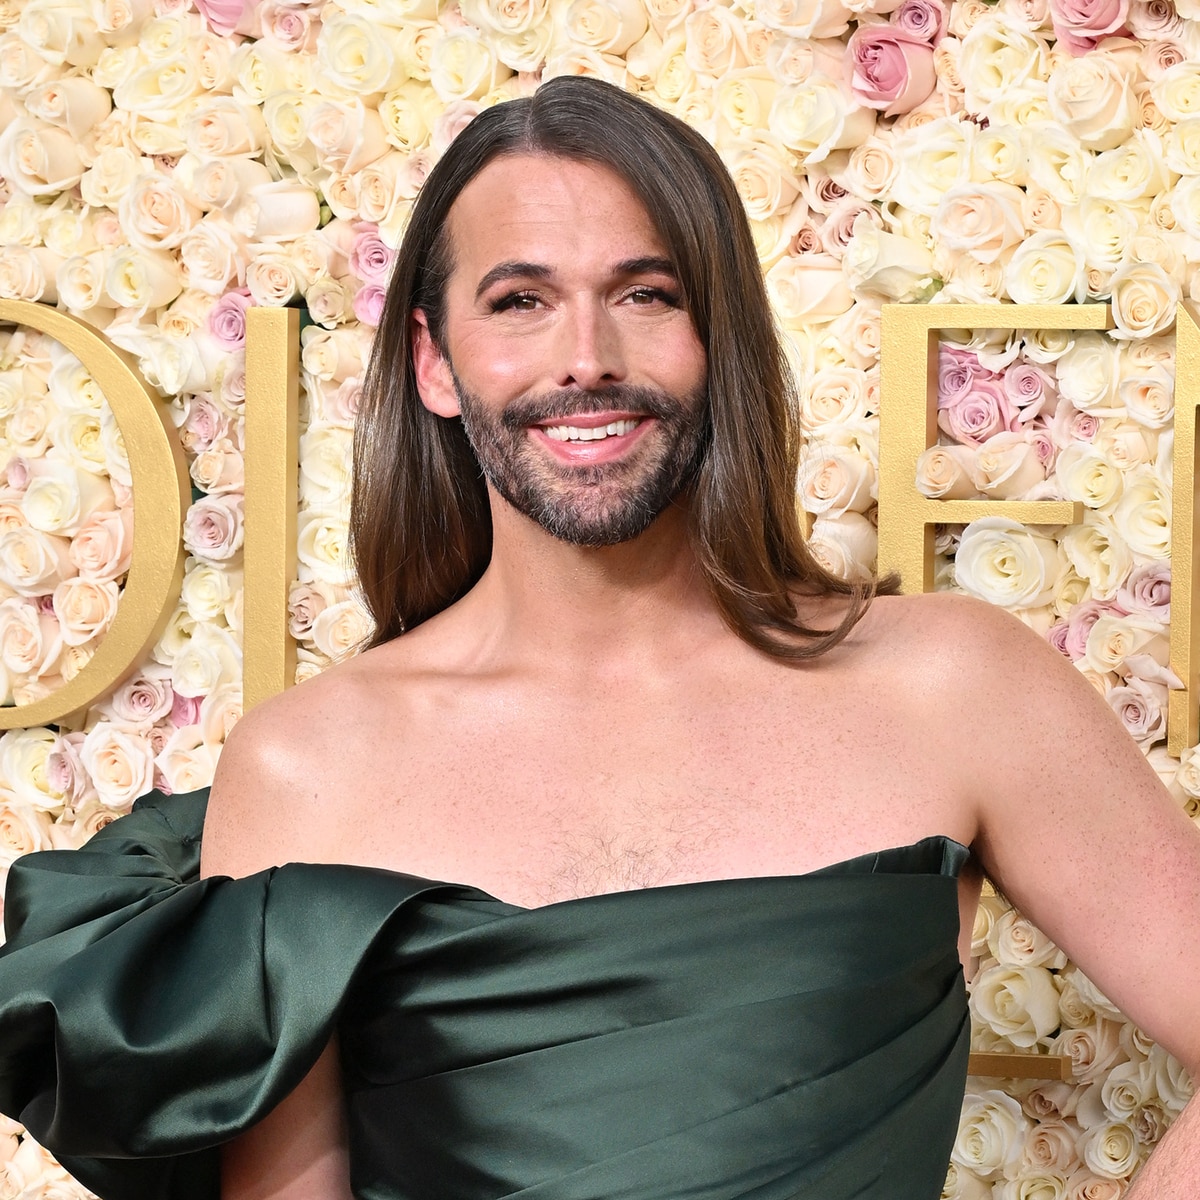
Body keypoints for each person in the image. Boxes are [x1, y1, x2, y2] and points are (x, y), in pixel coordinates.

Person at [1, 75, 1199, 1200]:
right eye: (519, 301)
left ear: (715, 337)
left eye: (647, 293)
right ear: (433, 360)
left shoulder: (954, 686)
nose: (588, 357)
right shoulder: (308, 765)